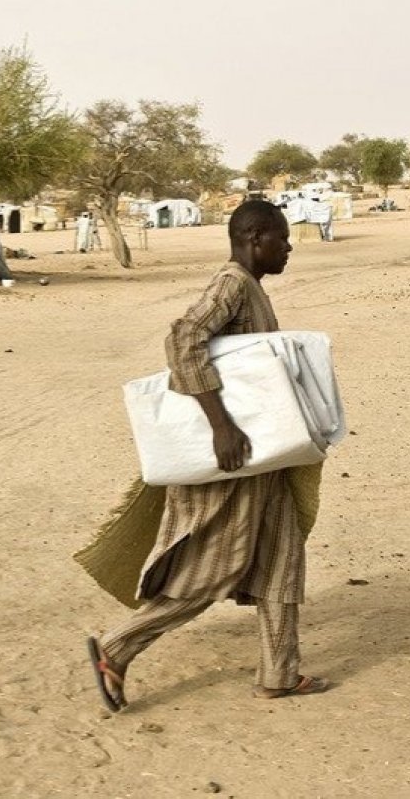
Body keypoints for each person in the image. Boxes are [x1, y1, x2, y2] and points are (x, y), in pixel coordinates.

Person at [87, 200, 329, 711]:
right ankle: (116, 646)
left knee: (282, 560)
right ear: (254, 236)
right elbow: (184, 339)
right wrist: (221, 426)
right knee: (211, 569)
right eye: (281, 238)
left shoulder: (252, 288)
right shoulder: (232, 284)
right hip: (235, 460)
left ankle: (279, 672)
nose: (289, 247)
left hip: (263, 460)